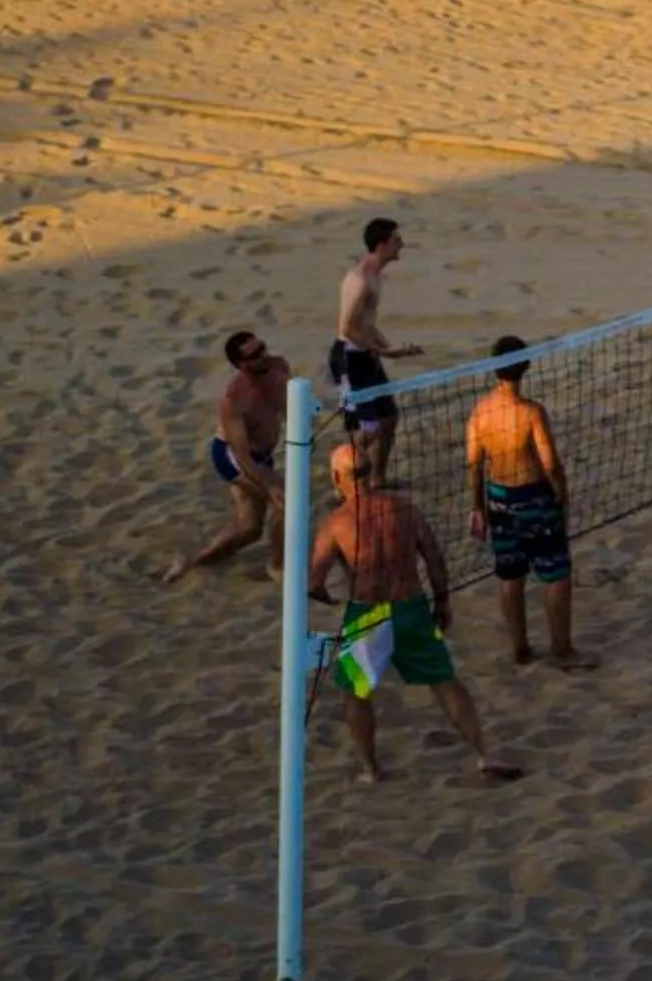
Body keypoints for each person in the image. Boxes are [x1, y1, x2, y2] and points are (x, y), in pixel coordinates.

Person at [313, 442, 520, 784]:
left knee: (356, 691)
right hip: (411, 605)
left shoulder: (336, 524)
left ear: (338, 478)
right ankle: (484, 753)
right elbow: (435, 558)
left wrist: (330, 599)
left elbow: (313, 581)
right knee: (445, 680)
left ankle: (371, 768)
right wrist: (442, 602)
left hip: (366, 613)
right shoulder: (404, 508)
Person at [466, 336, 589, 667]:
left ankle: (519, 647)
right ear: (527, 365)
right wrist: (562, 493)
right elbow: (550, 462)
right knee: (556, 573)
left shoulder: (479, 412)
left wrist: (477, 506)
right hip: (533, 496)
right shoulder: (531, 412)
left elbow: (474, 465)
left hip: (498, 498)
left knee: (510, 574)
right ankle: (562, 650)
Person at [160, 328, 292, 584]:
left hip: (263, 454)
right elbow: (241, 455)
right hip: (234, 457)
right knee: (285, 499)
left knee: (250, 529)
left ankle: (194, 563)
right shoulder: (235, 399)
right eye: (254, 355)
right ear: (241, 365)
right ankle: (276, 567)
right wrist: (267, 485)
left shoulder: (279, 368)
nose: (263, 356)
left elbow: (285, 404)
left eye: (262, 347)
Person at [332, 218, 424, 489]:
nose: (402, 245)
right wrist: (384, 353)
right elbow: (347, 328)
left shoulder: (375, 277)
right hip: (349, 358)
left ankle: (377, 479)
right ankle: (342, 476)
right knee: (368, 429)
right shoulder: (360, 281)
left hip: (366, 354)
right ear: (381, 244)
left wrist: (391, 349)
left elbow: (367, 324)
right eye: (396, 240)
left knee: (389, 418)